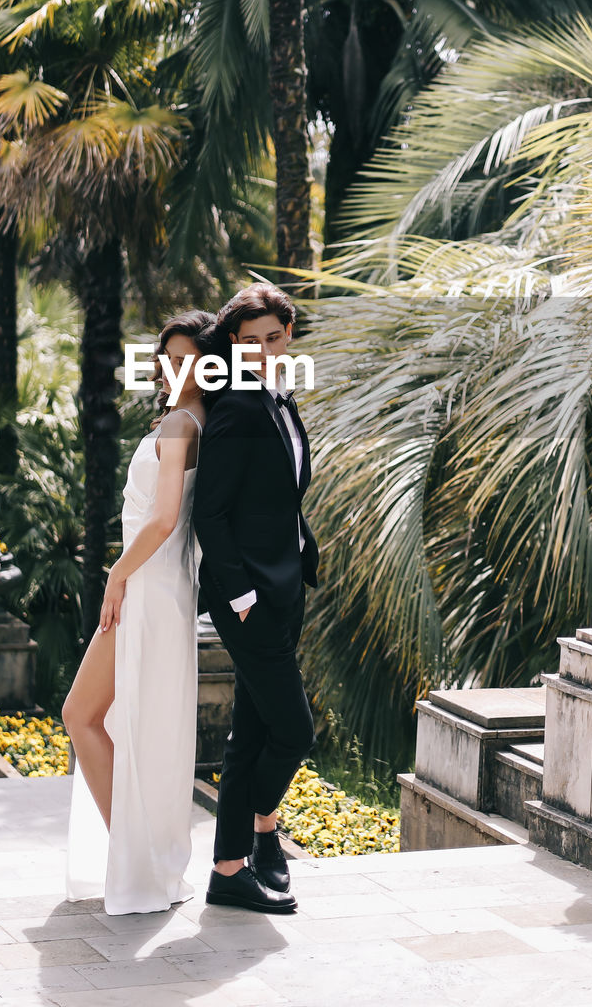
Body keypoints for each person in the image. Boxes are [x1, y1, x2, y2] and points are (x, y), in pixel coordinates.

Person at [61, 310, 215, 915]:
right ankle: (142, 857)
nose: (174, 369)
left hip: (147, 589)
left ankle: (142, 861)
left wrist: (116, 575)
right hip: (160, 589)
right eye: (168, 358)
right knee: (123, 723)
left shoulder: (181, 422)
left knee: (82, 714)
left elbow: (164, 516)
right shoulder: (197, 418)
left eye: (189, 360)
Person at [192, 282, 319, 915]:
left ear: (288, 336)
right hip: (248, 599)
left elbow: (282, 496)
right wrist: (241, 597)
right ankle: (262, 830)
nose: (263, 351)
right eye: (249, 343)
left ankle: (229, 870)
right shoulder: (238, 408)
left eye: (273, 338)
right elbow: (209, 515)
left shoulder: (278, 398)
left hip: (285, 585)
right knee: (295, 730)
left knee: (251, 733)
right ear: (233, 347)